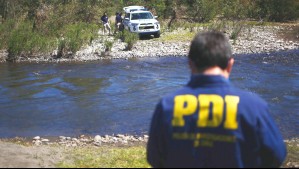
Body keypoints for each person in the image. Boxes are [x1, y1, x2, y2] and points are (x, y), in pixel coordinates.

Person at [147, 31, 287, 168]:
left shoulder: (167, 106)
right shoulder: (254, 107)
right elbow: (276, 155)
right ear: (230, 64)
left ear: (190, 64)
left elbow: (154, 158)